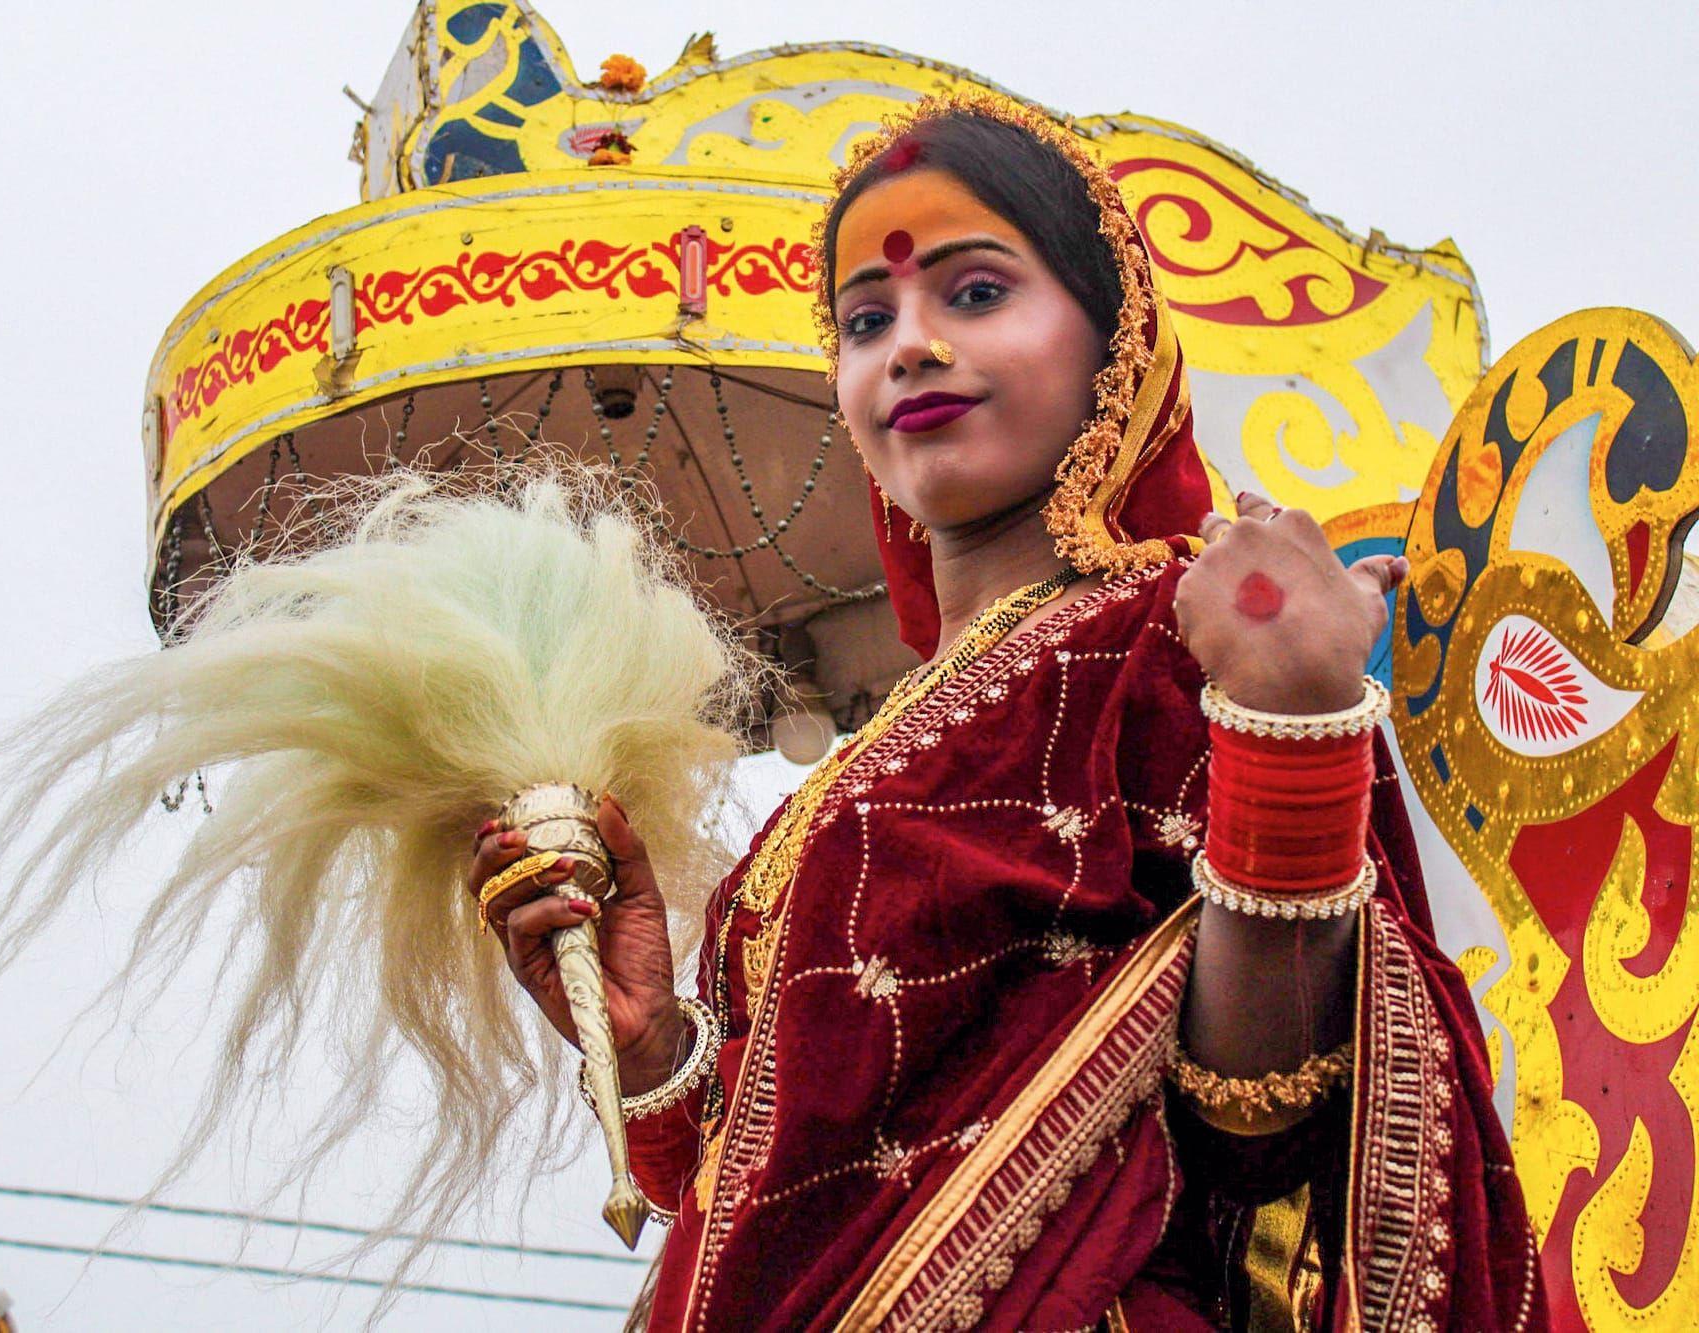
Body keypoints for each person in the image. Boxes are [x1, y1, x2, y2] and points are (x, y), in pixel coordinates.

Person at [470, 91, 1547, 1331]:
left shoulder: (1163, 637)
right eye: (865, 320)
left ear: (1116, 342)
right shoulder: (859, 768)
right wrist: (655, 1049)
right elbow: (762, 1192)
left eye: (973, 293)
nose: (910, 346)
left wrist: (1289, 733)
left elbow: (1265, 1127)